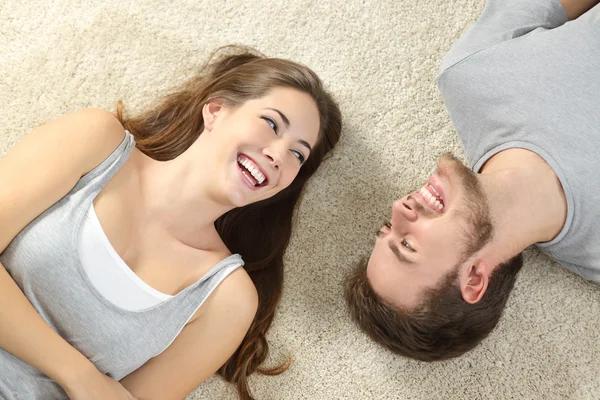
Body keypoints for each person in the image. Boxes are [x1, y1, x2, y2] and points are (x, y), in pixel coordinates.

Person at [0, 47, 342, 400]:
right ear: (215, 111)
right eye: (271, 124)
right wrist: (77, 374)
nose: (277, 155)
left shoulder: (227, 299)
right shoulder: (95, 141)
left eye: (297, 154)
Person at [345, 0, 600, 361]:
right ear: (474, 279)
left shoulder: (471, 75)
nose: (398, 206)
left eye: (388, 227)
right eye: (407, 245)